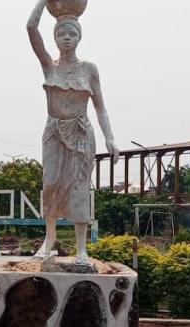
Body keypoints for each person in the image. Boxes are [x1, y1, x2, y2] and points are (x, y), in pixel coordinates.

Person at [27, 0, 120, 266]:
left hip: (81, 133)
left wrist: (110, 137)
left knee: (80, 188)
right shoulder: (49, 65)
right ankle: (50, 238)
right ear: (54, 37)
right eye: (61, 34)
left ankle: (81, 249)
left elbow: (100, 107)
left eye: (72, 34)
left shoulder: (89, 69)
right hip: (54, 131)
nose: (66, 38)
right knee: (51, 184)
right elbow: (31, 28)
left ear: (79, 37)